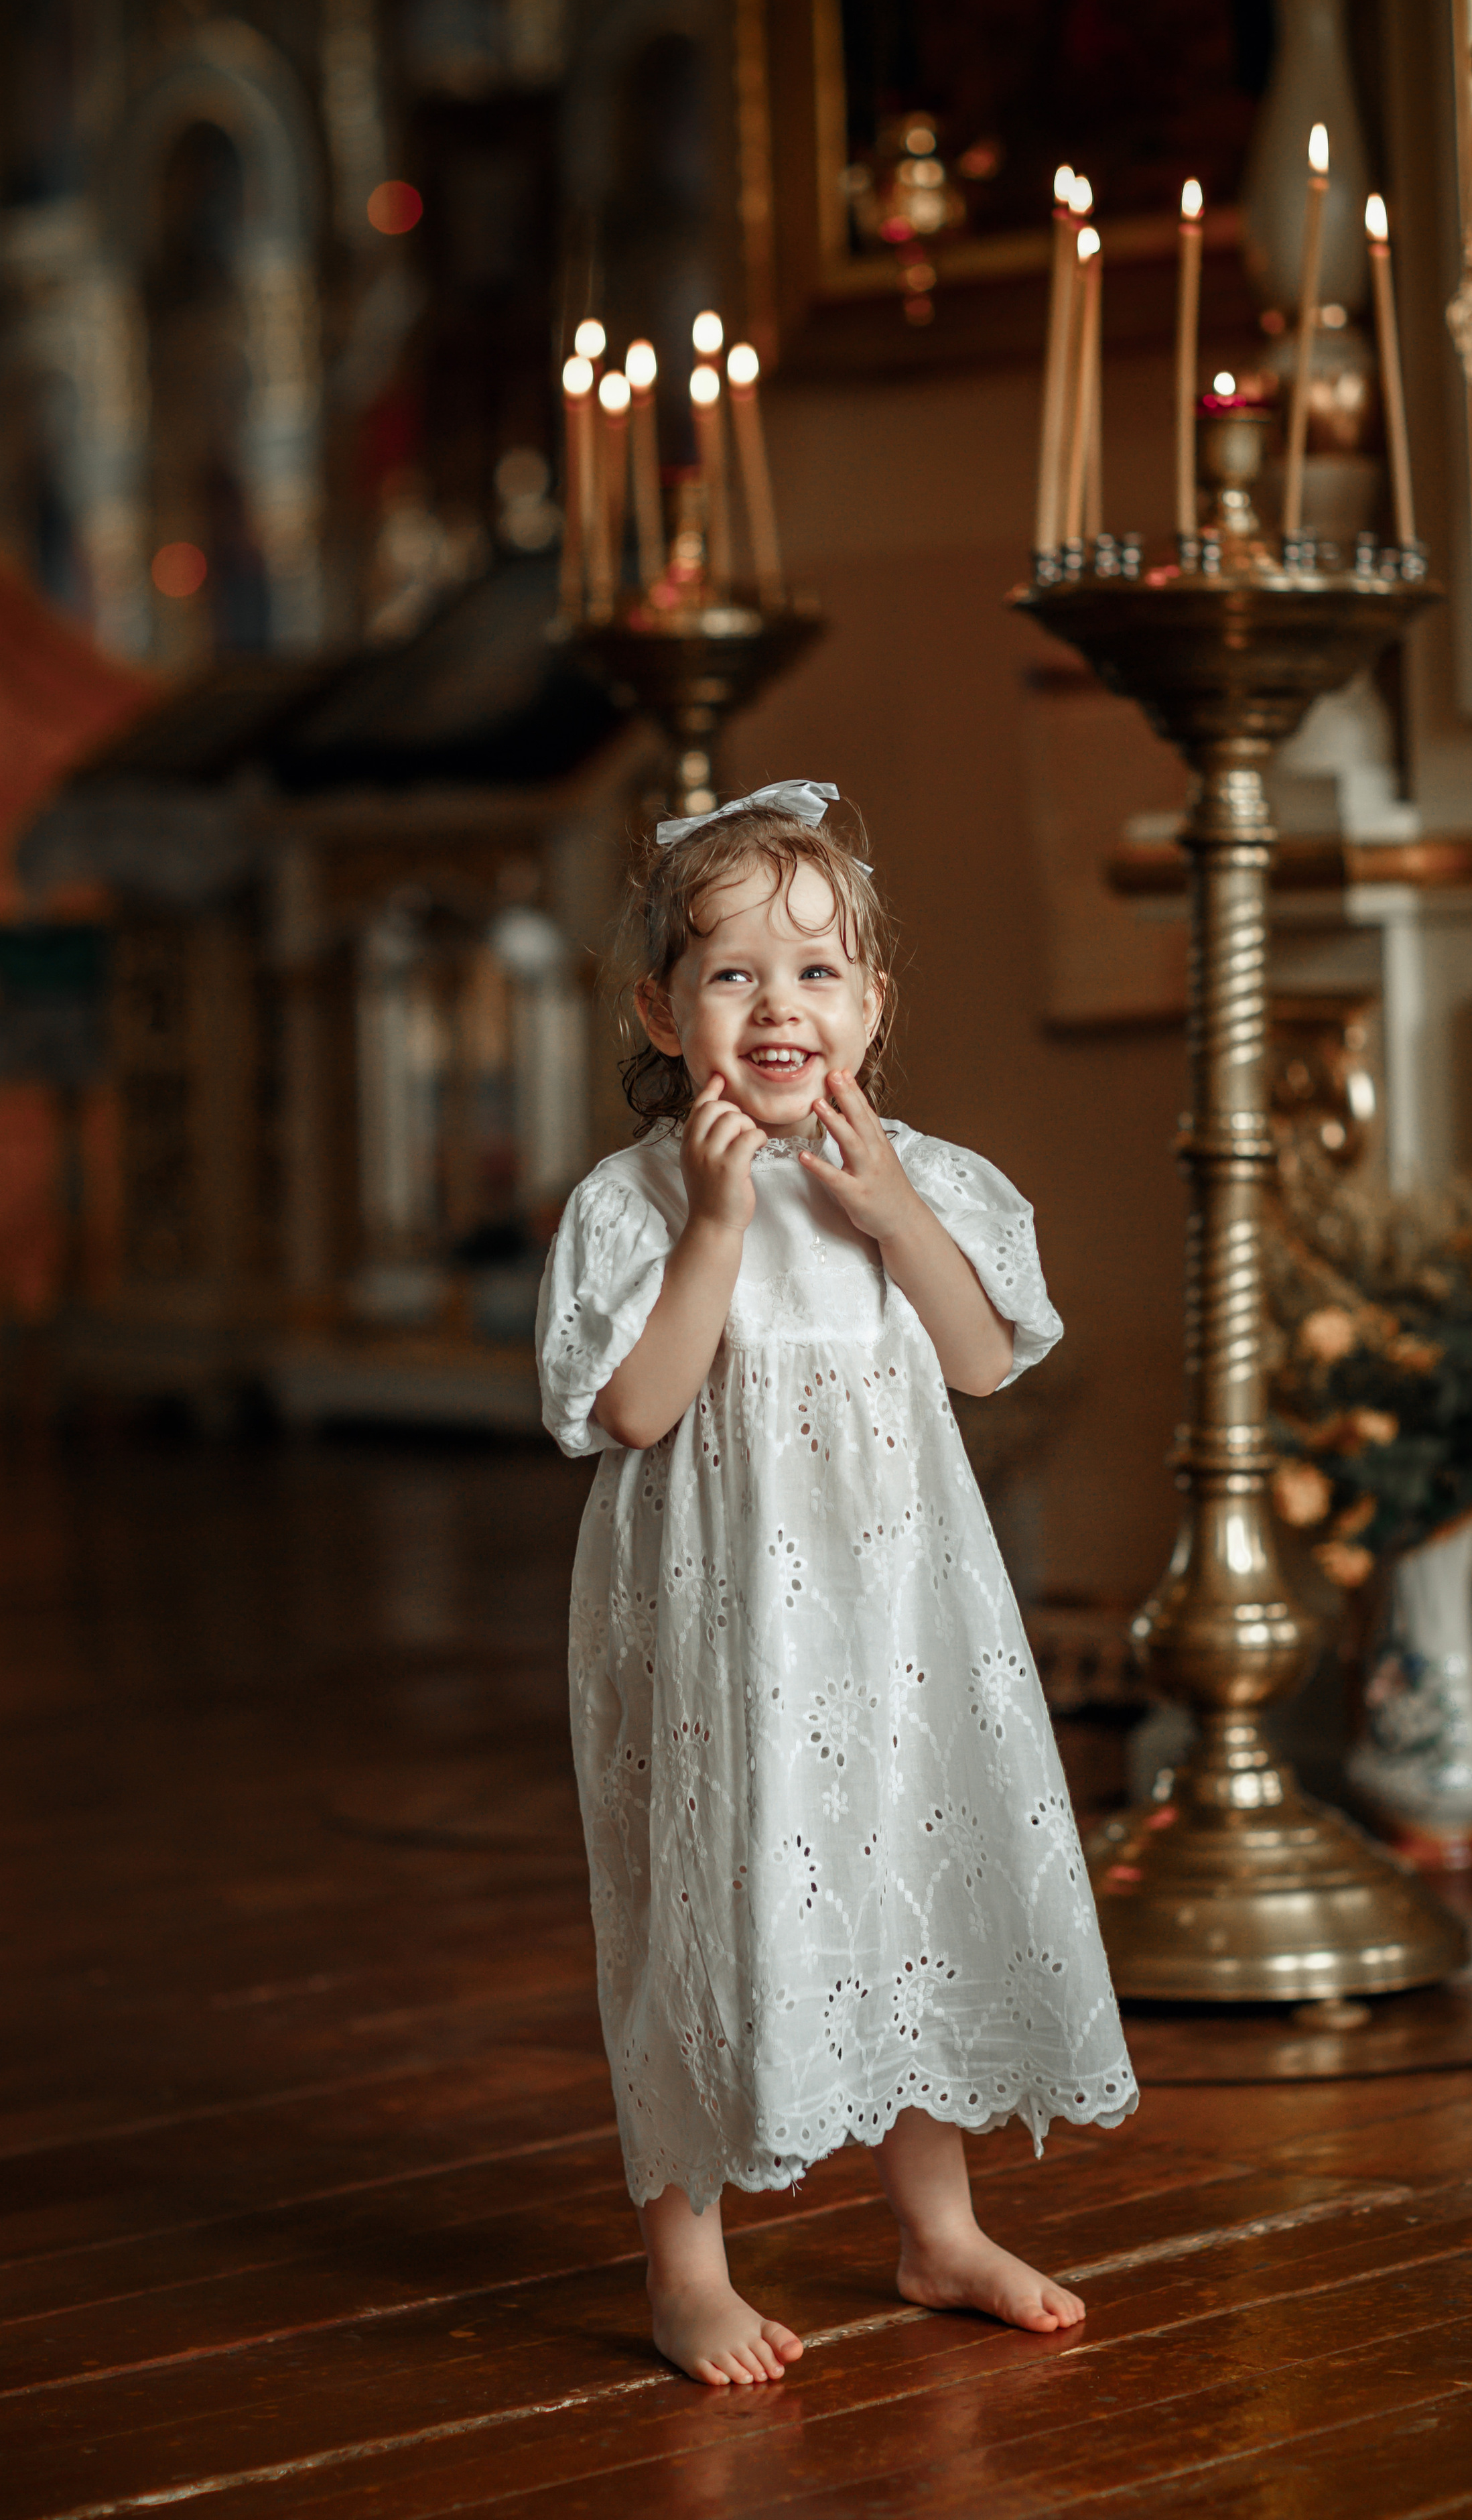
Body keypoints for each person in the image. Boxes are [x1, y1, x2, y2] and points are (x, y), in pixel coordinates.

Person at [537, 779, 1137, 2387]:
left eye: (814, 972)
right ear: (661, 1013)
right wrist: (718, 1225)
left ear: (869, 1004)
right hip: (716, 1619)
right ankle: (686, 2267)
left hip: (892, 1612)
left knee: (905, 1869)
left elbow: (981, 1360)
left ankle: (936, 2228)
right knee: (697, 1897)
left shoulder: (922, 1175)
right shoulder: (634, 1205)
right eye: (732, 975)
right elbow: (636, 1411)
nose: (776, 1007)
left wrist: (887, 1211)